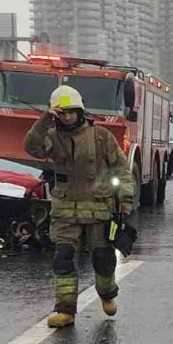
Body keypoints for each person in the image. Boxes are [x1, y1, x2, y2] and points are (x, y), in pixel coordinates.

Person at [24, 85, 136, 328]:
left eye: (71, 112)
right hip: (65, 211)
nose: (67, 117)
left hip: (98, 210)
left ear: (80, 111)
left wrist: (126, 202)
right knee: (63, 258)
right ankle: (65, 310)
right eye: (61, 114)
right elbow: (32, 147)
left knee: (103, 259)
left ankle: (107, 294)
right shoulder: (52, 137)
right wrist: (44, 120)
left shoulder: (101, 136)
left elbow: (122, 169)